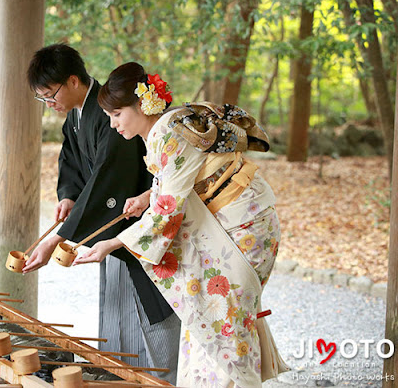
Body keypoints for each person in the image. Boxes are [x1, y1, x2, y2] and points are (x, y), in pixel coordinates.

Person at [74, 62, 289, 387]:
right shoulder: (170, 123)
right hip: (243, 218)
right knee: (210, 318)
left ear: (141, 104)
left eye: (117, 113)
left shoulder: (166, 133)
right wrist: (149, 196)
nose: (113, 123)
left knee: (220, 318)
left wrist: (113, 243)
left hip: (242, 226)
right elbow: (181, 177)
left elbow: (168, 211)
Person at [23, 44, 180, 383]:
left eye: (51, 95)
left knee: (150, 313)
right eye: (44, 99)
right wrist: (69, 196)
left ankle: (160, 379)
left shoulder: (113, 110)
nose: (50, 104)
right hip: (117, 225)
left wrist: (59, 238)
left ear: (74, 80)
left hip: (141, 226)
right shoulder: (79, 117)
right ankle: (123, 377)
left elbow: (110, 179)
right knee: (118, 314)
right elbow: (73, 164)